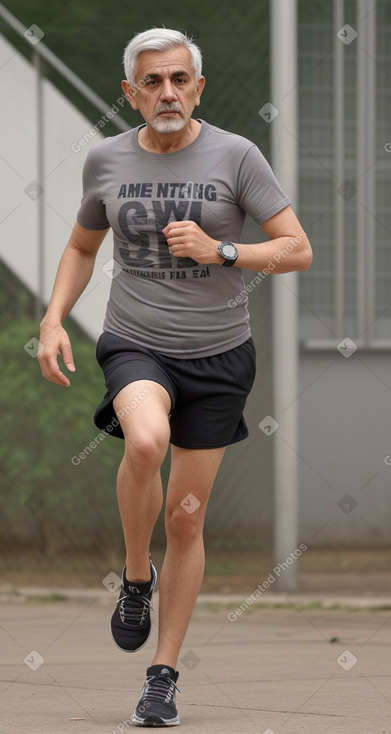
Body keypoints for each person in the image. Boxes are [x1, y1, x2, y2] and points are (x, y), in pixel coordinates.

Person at [38, 27, 312, 727]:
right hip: (138, 343)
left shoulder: (236, 156)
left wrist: (222, 249)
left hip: (220, 357)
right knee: (143, 442)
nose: (168, 93)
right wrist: (52, 319)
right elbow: (79, 245)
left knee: (186, 520)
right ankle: (136, 575)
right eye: (153, 82)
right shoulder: (105, 160)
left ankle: (162, 677)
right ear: (130, 92)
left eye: (180, 79)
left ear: (198, 87)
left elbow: (296, 249)